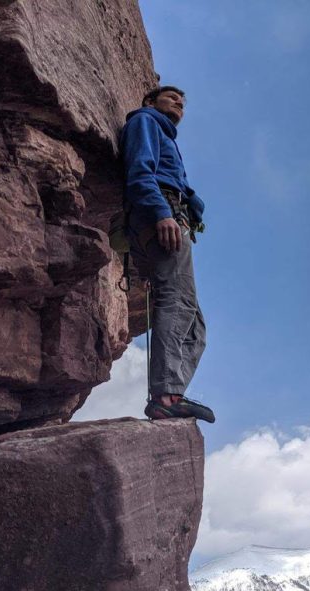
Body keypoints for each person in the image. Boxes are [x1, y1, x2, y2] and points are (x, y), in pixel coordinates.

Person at [120, 85, 215, 423]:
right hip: (160, 215)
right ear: (149, 101)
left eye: (183, 100)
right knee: (176, 300)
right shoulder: (146, 121)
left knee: (195, 327)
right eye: (171, 97)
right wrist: (162, 212)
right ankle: (166, 396)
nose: (179, 102)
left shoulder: (164, 134)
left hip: (169, 217)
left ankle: (171, 390)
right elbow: (139, 171)